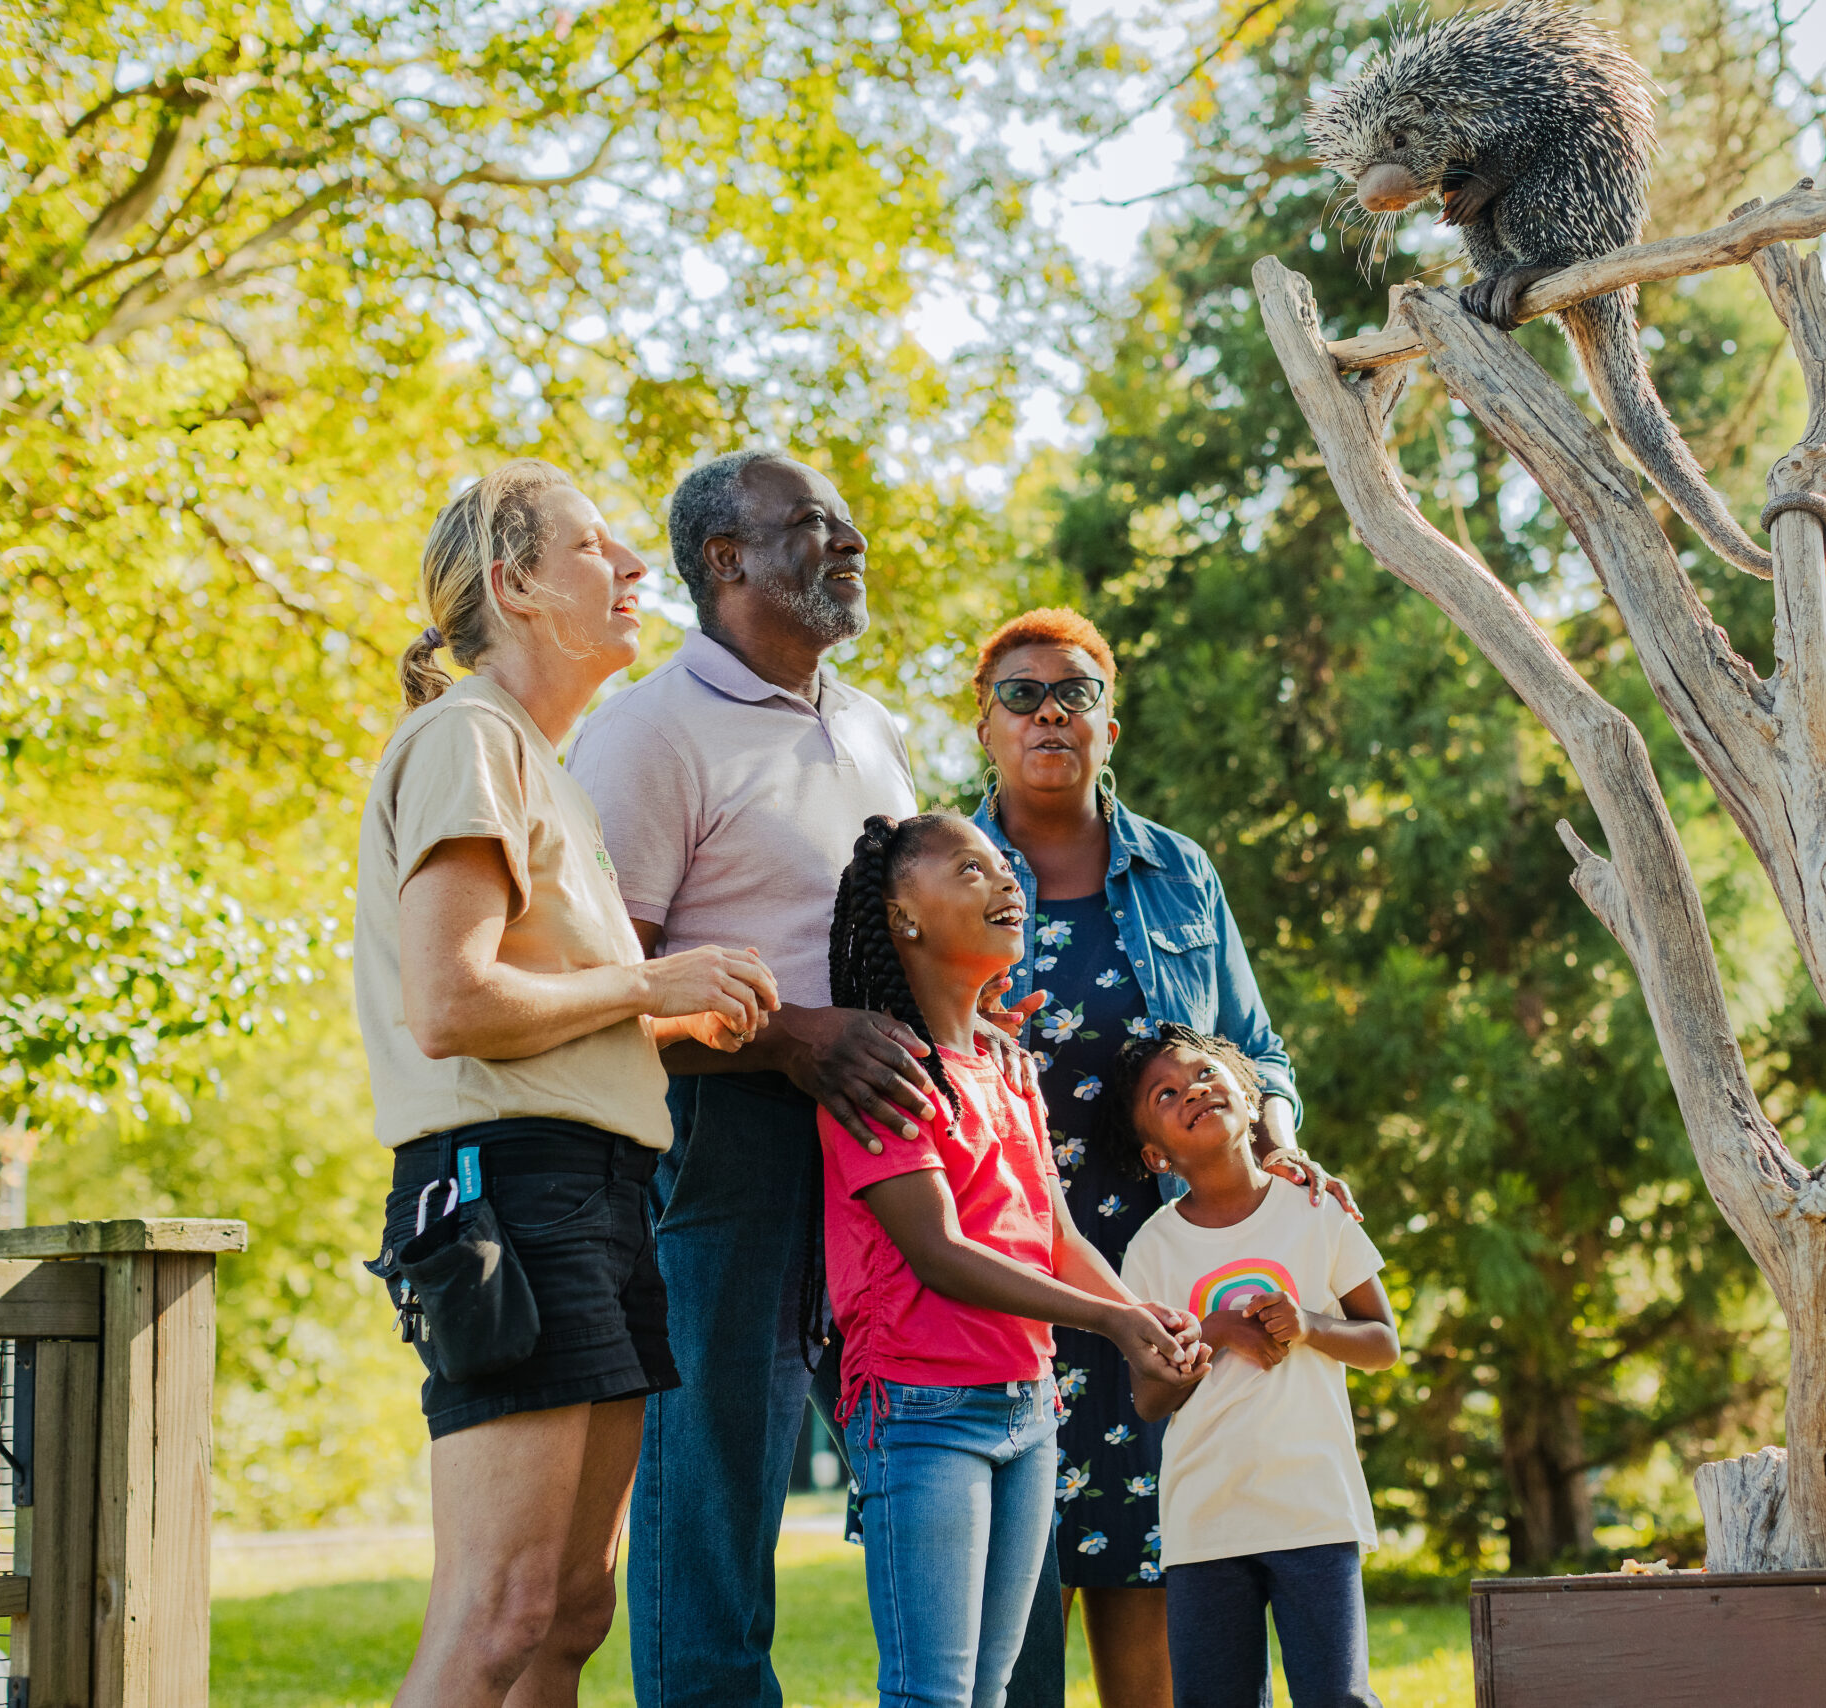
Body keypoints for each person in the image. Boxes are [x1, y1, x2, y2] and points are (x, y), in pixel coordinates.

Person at [566, 452, 1039, 1706]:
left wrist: (968, 1017)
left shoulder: (872, 725)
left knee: (932, 1436)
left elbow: (897, 932)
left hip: (891, 1144)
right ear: (724, 561)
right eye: (812, 527)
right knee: (717, 1475)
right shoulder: (645, 735)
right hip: (730, 1137)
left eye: (847, 524)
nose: (850, 543)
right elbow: (600, 992)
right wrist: (791, 1039)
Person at [354, 460, 781, 1708]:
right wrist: (650, 986)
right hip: (507, 1194)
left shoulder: (549, 768)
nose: (637, 567)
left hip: (595, 1188)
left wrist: (674, 1017)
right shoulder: (469, 738)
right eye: (598, 547)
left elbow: (542, 1020)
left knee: (573, 1612)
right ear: (518, 584)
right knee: (501, 1613)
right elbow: (452, 1006)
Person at [969, 610, 1357, 1708]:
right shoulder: (939, 864)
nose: (1050, 711)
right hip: (1006, 1270)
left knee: (1159, 1561)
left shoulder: (1178, 871)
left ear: (1110, 726)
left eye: (1075, 693)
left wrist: (1279, 1144)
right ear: (985, 728)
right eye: (1022, 694)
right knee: (1014, 1600)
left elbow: (1255, 1046)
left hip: (1166, 1280)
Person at [817, 811, 1213, 1708]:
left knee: (990, 1692)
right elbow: (939, 1252)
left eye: (1005, 870)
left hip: (1029, 1407)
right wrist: (1111, 1320)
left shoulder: (1007, 1067)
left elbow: (1056, 1235)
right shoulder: (884, 1074)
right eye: (969, 870)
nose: (1006, 886)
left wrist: (1137, 1314)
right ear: (903, 916)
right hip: (923, 1415)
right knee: (934, 1694)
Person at [1114, 1024, 1400, 1708]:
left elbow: (1384, 1343)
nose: (1194, 1093)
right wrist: (1211, 1332)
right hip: (1205, 1522)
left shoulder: (1315, 1212)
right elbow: (1150, 1401)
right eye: (1167, 1094)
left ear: (1249, 1095)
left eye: (1207, 1076)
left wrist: (1311, 1325)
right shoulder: (1151, 1249)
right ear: (1157, 1155)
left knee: (1338, 1698)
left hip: (1313, 1512)